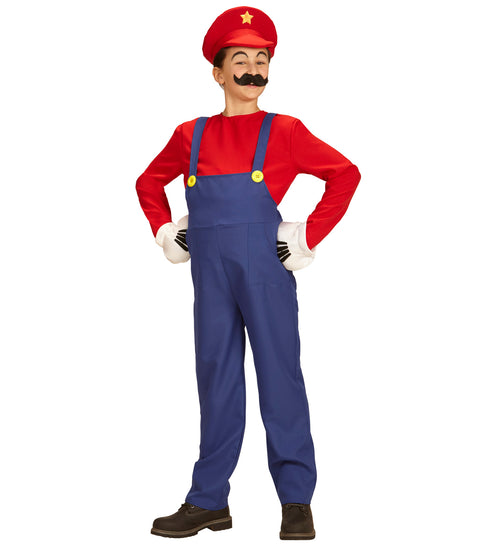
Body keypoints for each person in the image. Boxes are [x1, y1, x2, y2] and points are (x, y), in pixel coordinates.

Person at [136, 6, 361, 540]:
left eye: (262, 60)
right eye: (241, 60)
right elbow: (148, 182)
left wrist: (306, 235)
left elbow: (345, 174)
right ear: (218, 73)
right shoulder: (189, 134)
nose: (253, 70)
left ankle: (296, 501)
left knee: (279, 377)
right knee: (216, 378)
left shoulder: (284, 130)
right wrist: (166, 231)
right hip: (209, 274)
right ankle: (209, 500)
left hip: (264, 269)